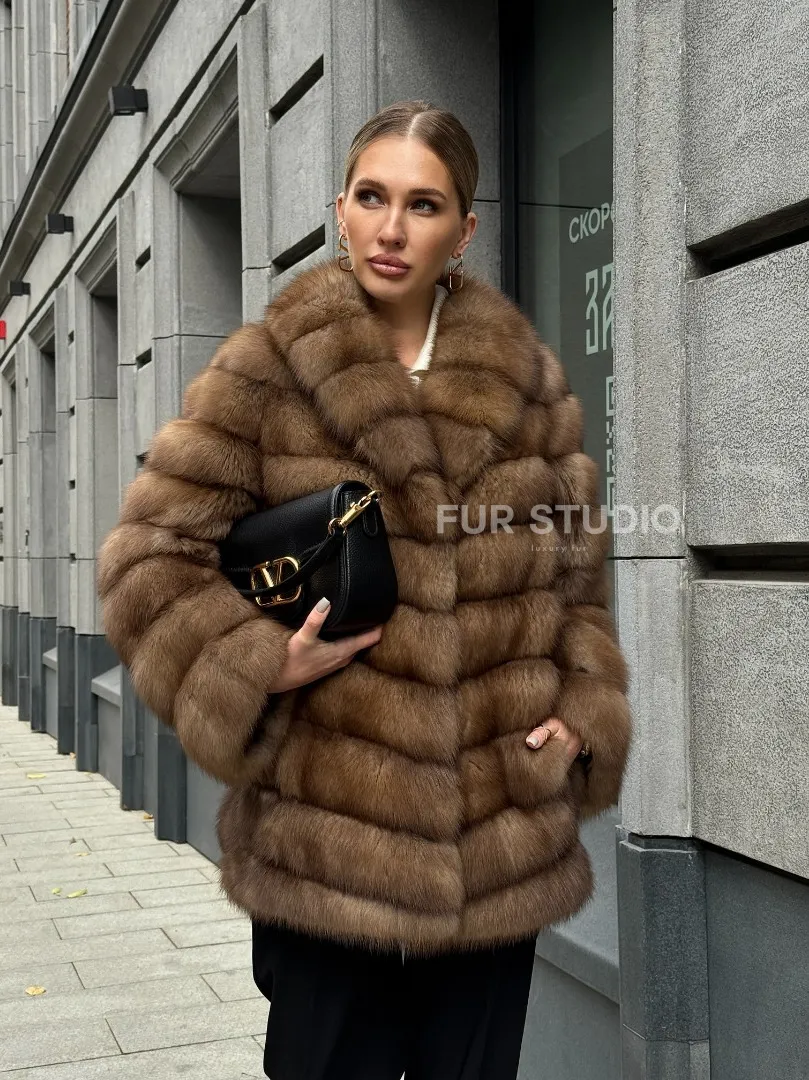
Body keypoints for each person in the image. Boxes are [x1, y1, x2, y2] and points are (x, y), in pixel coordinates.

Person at [97, 100, 632, 1080]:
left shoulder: (528, 386)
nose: (392, 229)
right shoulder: (267, 371)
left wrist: (579, 713)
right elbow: (148, 562)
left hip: (494, 852)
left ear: (462, 230)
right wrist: (260, 663)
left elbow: (576, 584)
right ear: (339, 210)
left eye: (423, 205)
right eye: (372, 198)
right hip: (326, 855)